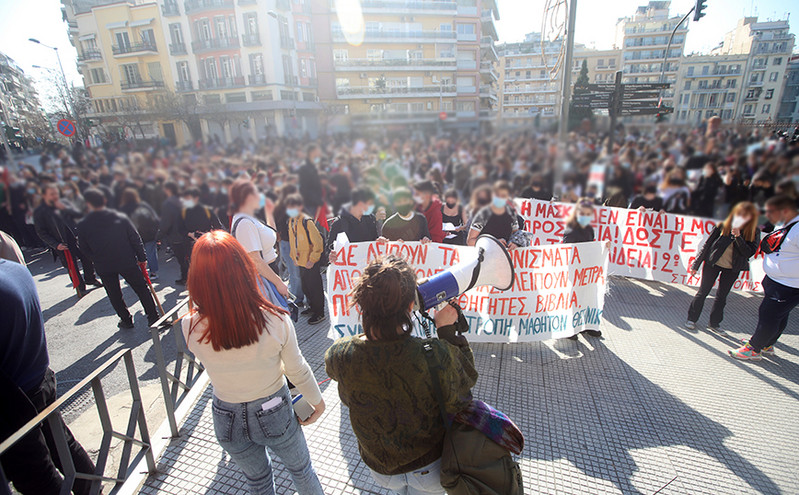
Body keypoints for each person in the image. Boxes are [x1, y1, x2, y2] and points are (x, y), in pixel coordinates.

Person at [182, 231, 325, 495]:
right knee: (302, 471)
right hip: (273, 407)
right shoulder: (275, 319)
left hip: (225, 415)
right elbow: (297, 369)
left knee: (258, 482)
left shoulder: (189, 324)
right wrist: (317, 401)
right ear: (243, 268)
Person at [325, 255, 477, 495]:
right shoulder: (433, 355)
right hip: (429, 467)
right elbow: (467, 377)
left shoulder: (340, 353)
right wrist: (447, 331)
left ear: (361, 305)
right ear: (410, 306)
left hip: (380, 468)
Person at [0, 258, 96, 495]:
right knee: (62, 443)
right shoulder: (15, 269)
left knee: (35, 472)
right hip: (38, 374)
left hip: (15, 396)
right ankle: (94, 489)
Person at [77, 189, 160, 329]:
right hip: (126, 259)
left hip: (103, 264)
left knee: (114, 294)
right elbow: (135, 238)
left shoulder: (83, 224)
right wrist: (142, 257)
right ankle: (153, 317)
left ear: (88, 204)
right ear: (104, 200)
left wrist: (95, 258)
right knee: (141, 288)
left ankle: (126, 319)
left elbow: (83, 247)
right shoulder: (120, 217)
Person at [730, 195, 799, 361]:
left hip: (789, 285)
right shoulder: (784, 222)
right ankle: (766, 343)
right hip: (776, 280)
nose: (768, 215)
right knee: (779, 315)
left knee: (768, 314)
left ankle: (754, 348)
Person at [685, 202, 760, 334]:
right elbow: (707, 244)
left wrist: (738, 237)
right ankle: (692, 319)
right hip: (712, 263)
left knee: (722, 296)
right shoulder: (723, 224)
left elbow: (749, 252)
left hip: (732, 268)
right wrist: (695, 265)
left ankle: (714, 324)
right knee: (703, 292)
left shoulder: (753, 230)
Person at [229, 180, 291, 304]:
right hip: (264, 277)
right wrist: (278, 282)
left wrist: (269, 212)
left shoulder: (250, 217)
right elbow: (255, 260)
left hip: (269, 273)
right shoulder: (244, 223)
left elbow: (271, 233)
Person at [33, 184, 101, 295]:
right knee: (71, 265)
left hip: (75, 238)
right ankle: (80, 287)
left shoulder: (64, 203)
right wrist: (55, 244)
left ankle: (90, 279)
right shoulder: (40, 211)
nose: (55, 196)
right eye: (52, 194)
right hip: (61, 242)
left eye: (56, 193)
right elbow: (41, 232)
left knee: (87, 258)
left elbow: (78, 215)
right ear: (44, 195)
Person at [562, 198, 602, 339]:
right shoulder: (571, 229)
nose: (585, 216)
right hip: (575, 270)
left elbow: (591, 247)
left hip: (587, 270)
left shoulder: (590, 229)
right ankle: (571, 326)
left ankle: (588, 325)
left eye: (587, 214)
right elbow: (567, 252)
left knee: (588, 297)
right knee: (575, 298)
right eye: (582, 213)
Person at [285, 194, 326, 325]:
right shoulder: (292, 221)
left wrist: (313, 259)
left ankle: (319, 312)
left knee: (315, 287)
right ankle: (312, 307)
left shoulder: (306, 221)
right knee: (306, 287)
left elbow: (318, 242)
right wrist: (293, 257)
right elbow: (293, 241)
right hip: (300, 261)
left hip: (310, 261)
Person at [327, 187, 381, 260]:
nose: (373, 206)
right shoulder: (340, 223)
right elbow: (329, 249)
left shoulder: (370, 219)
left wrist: (380, 241)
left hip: (367, 264)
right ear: (360, 204)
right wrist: (331, 255)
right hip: (350, 268)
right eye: (370, 203)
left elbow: (374, 240)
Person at [275, 184, 305, 308]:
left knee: (296, 271)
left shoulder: (293, 207)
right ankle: (297, 297)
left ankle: (298, 293)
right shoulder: (280, 209)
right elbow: (278, 228)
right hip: (287, 242)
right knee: (294, 271)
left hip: (296, 242)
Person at [120, 188, 161, 280]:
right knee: (151, 253)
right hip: (149, 234)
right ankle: (154, 272)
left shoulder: (123, 209)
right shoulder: (144, 205)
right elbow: (155, 218)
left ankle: (140, 272)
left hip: (134, 235)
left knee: (136, 253)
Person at [467, 180, 519, 247]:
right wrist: (493, 243)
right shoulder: (483, 214)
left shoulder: (511, 214)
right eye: (497, 195)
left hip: (505, 255)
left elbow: (516, 234)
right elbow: (470, 241)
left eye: (503, 196)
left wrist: (515, 244)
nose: (500, 198)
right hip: (485, 255)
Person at [159, 181, 190, 285]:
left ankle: (186, 278)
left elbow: (166, 223)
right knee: (187, 258)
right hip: (186, 233)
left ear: (168, 190)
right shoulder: (182, 200)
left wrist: (158, 236)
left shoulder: (168, 204)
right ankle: (188, 277)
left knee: (182, 259)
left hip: (175, 235)